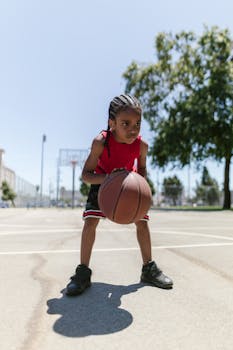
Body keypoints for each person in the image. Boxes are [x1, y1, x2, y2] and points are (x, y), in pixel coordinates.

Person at [66, 94, 173, 296]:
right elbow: (86, 175)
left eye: (137, 123)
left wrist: (140, 186)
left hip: (128, 184)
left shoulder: (142, 146)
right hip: (101, 182)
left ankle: (148, 269)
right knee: (90, 223)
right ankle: (83, 272)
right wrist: (107, 179)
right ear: (112, 123)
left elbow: (141, 170)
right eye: (126, 123)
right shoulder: (101, 142)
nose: (133, 128)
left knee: (142, 222)